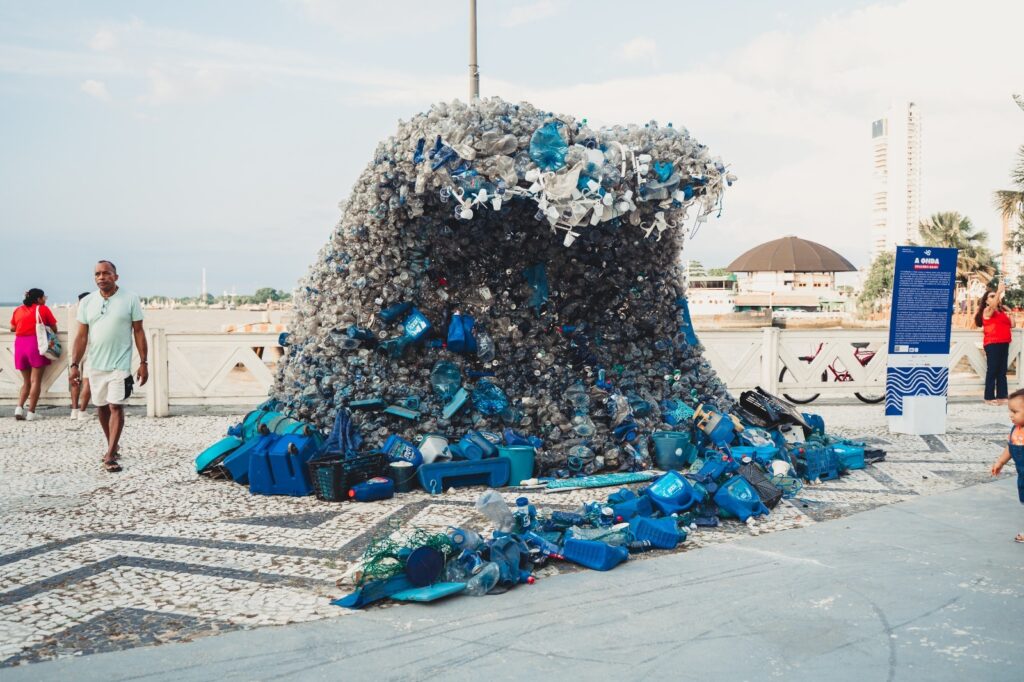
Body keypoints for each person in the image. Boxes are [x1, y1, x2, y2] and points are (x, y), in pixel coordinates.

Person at [69, 261, 148, 473]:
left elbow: (138, 331)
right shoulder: (87, 302)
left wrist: (143, 362)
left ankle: (111, 454)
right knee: (102, 407)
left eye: (106, 273)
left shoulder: (130, 299)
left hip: (119, 364)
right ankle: (113, 445)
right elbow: (81, 336)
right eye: (97, 274)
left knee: (116, 406)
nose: (101, 277)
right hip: (95, 364)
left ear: (116, 276)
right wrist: (74, 364)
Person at [9, 288, 58, 421]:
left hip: (20, 345)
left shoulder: (18, 310)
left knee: (26, 382)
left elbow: (13, 328)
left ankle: (19, 408)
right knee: (35, 381)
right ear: (38, 299)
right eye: (44, 297)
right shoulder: (43, 309)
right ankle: (31, 412)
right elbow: (54, 328)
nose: (45, 299)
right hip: (35, 344)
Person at [989, 387, 1024, 543]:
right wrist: (1000, 462)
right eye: (1010, 411)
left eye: (1015, 412)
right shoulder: (1015, 430)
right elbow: (1011, 447)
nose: (1011, 415)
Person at [976, 282, 1011, 406]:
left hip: (1004, 343)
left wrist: (1010, 313)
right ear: (986, 301)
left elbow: (1011, 325)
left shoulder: (1001, 312)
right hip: (993, 343)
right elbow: (993, 305)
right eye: (991, 296)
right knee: (993, 370)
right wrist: (999, 291)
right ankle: (989, 397)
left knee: (1002, 371)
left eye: (995, 296)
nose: (995, 297)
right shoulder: (987, 310)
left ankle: (1002, 396)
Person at [69, 291, 92, 420]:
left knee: (75, 381)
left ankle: (74, 411)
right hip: (89, 349)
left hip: (73, 350)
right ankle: (82, 411)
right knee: (87, 381)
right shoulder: (90, 310)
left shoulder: (72, 310)